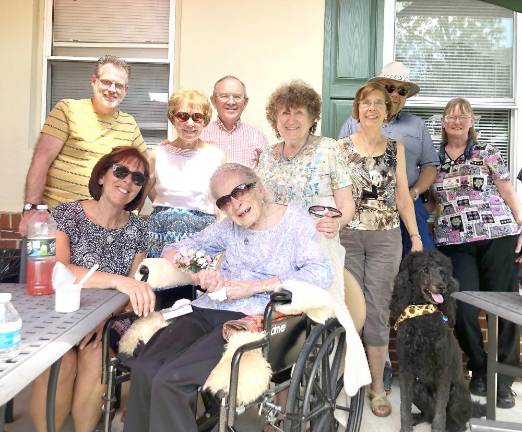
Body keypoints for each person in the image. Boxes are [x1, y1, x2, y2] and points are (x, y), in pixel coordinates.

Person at [123, 163, 332, 432]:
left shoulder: (296, 222)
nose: (235, 205)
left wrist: (254, 287)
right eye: (224, 201)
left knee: (172, 379)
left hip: (252, 318)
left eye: (240, 191)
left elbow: (321, 274)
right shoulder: (228, 228)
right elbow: (173, 249)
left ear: (260, 188)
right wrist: (200, 271)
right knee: (146, 367)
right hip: (208, 307)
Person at [30, 146, 155, 432]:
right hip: (61, 313)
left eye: (137, 178)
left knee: (95, 358)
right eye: (121, 171)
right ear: (101, 176)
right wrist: (117, 279)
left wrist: (106, 318)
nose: (127, 182)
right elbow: (56, 268)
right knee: (59, 361)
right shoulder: (66, 213)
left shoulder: (138, 230)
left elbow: (133, 291)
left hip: (106, 320)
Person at [337, 81, 422, 417]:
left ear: (387, 111)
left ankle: (375, 386)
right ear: (356, 109)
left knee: (377, 311)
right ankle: (346, 381)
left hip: (386, 238)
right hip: (348, 238)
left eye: (377, 103)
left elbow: (402, 195)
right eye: (364, 102)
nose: (370, 108)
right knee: (348, 311)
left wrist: (414, 236)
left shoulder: (395, 148)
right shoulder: (340, 148)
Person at [431, 97, 522, 409]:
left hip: (498, 235)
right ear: (442, 122)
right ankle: (480, 368)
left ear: (471, 122)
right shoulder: (433, 159)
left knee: (504, 307)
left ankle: (504, 380)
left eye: (463, 115)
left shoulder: (487, 152)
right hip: (454, 243)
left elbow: (508, 191)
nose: (457, 120)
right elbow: (429, 200)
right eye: (451, 116)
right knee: (463, 308)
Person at [19, 55, 147, 235]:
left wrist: (132, 211)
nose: (112, 89)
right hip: (57, 219)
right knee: (47, 264)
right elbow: (41, 159)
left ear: (125, 89)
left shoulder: (129, 124)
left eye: (118, 85)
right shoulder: (68, 109)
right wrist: (31, 208)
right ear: (94, 81)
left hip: (102, 224)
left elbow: (146, 170)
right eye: (106, 82)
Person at [338, 61, 438, 254]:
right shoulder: (353, 122)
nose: (395, 94)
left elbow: (430, 166)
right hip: (362, 205)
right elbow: (338, 165)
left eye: (402, 91)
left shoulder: (416, 124)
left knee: (421, 257)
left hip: (407, 199)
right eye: (390, 87)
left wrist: (414, 192)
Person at [257, 80, 355, 236]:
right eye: (285, 113)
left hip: (316, 241)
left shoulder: (328, 149)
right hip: (274, 244)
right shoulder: (267, 155)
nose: (291, 120)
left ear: (312, 118)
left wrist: (337, 223)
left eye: (299, 112)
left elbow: (346, 203)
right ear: (275, 119)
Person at [146, 89, 225, 257]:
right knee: (158, 281)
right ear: (173, 118)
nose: (190, 123)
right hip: (160, 233)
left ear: (205, 121)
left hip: (201, 235)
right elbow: (140, 195)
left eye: (197, 117)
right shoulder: (157, 154)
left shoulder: (217, 156)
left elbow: (223, 203)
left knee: (197, 283)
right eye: (183, 116)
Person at [201, 75, 268, 167]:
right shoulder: (200, 135)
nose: (231, 102)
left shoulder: (258, 137)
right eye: (224, 96)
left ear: (245, 102)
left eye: (237, 97)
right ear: (214, 101)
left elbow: (265, 176)